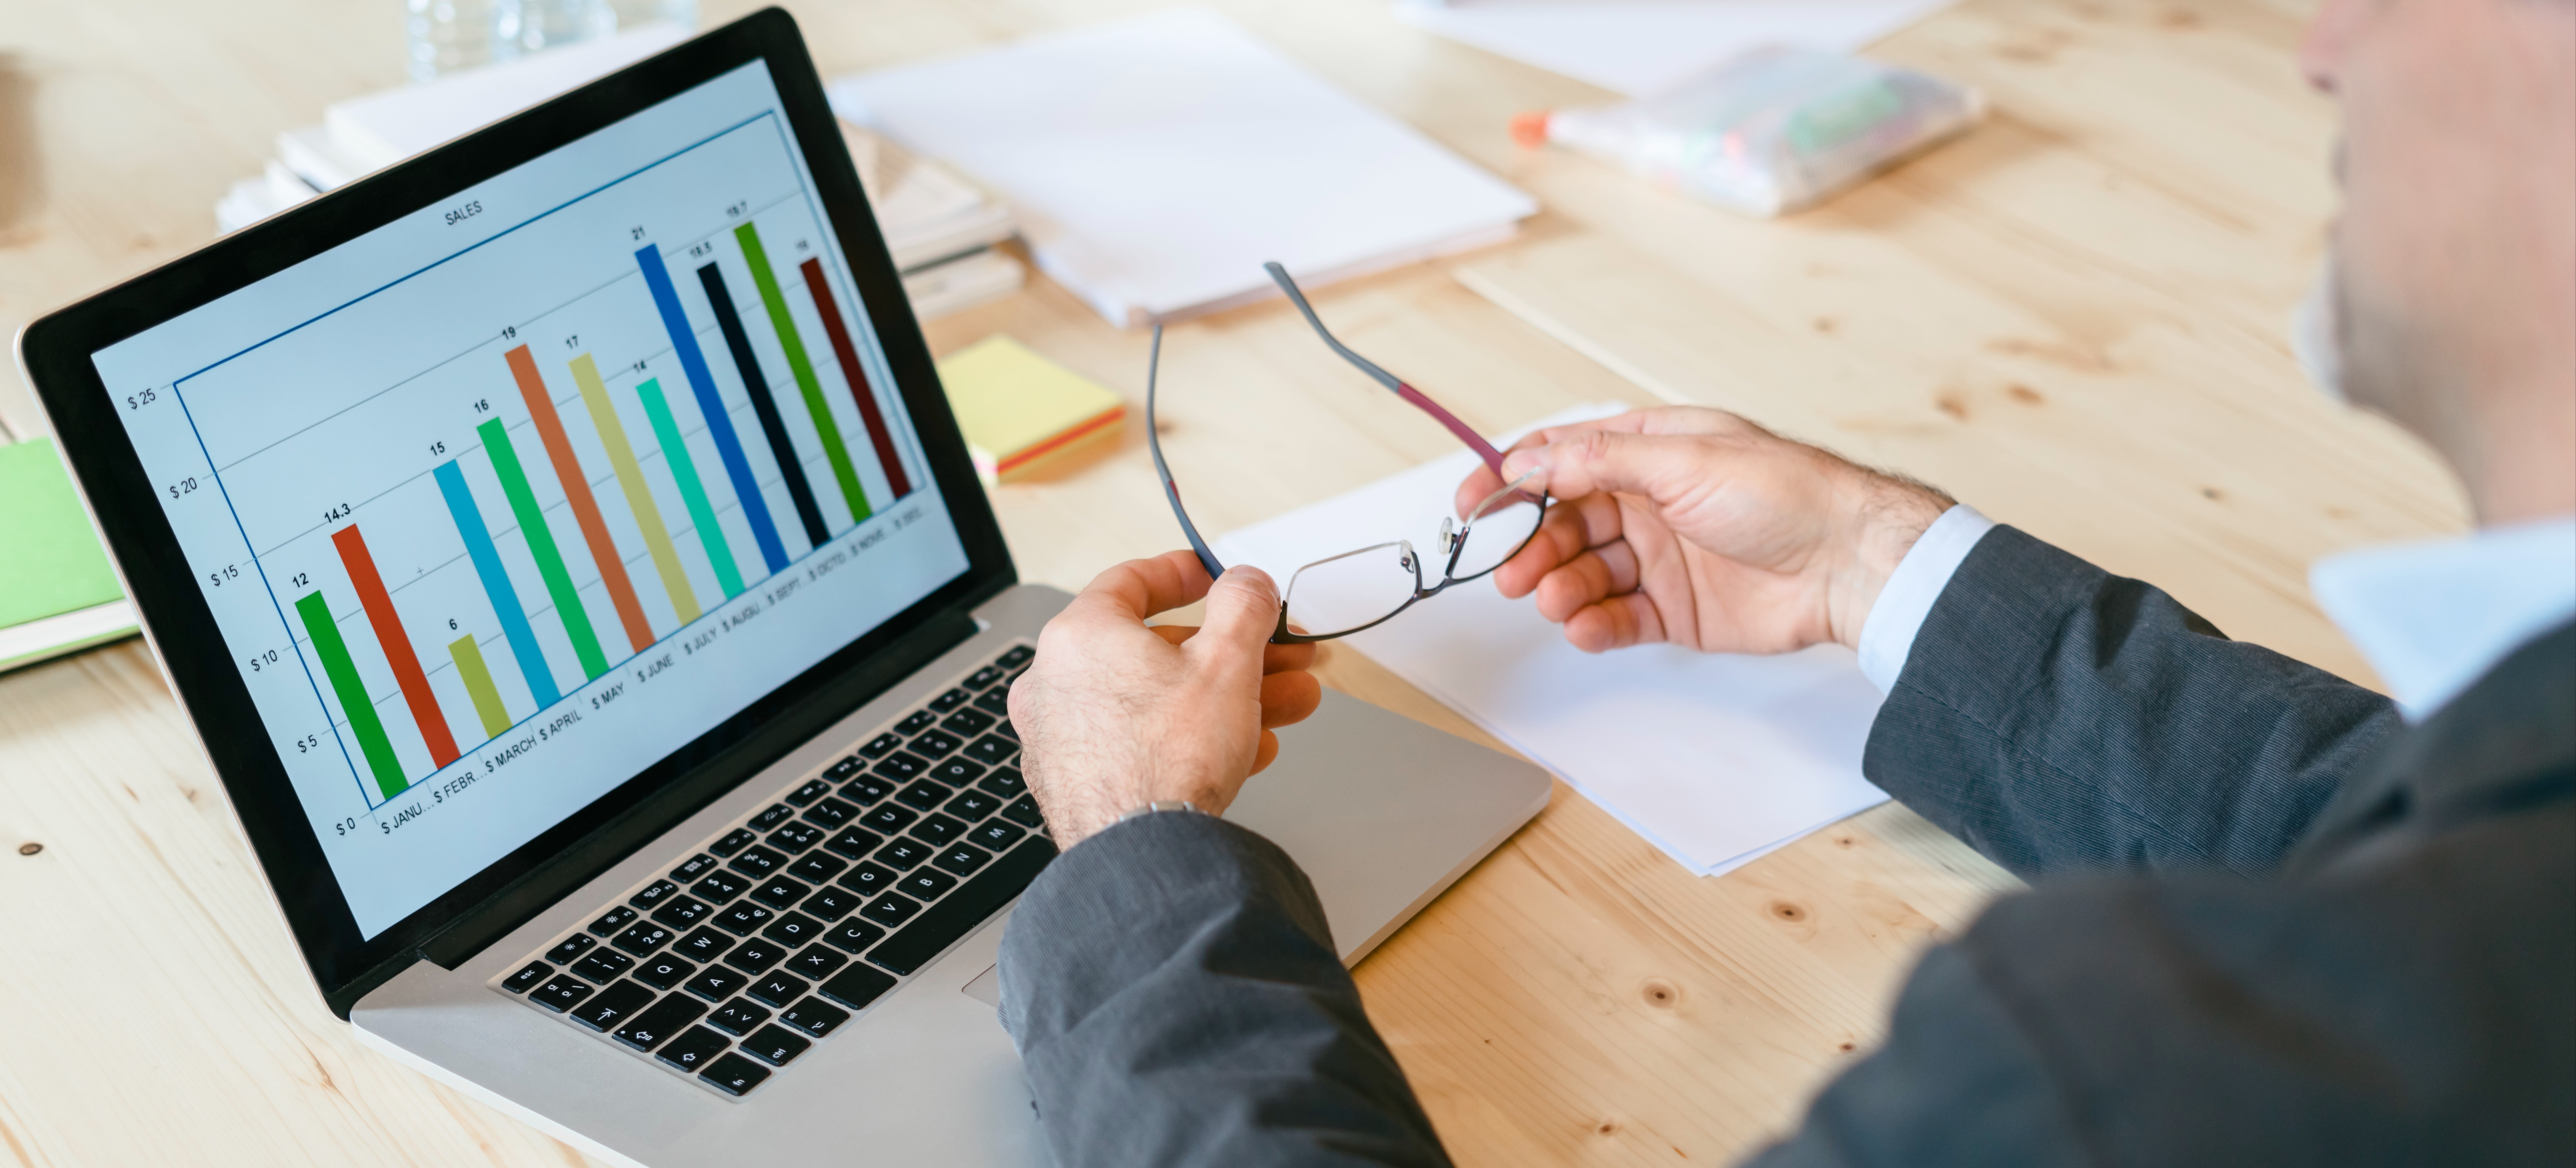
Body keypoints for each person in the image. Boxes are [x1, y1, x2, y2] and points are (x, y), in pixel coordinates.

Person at [994, 0, 2576, 1162]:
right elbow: (2412, 833)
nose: (2323, 37)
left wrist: (1138, 860)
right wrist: (1872, 561)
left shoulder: (2122, 1077)